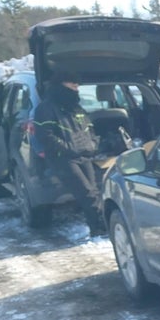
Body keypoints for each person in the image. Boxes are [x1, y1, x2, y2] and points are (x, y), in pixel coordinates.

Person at [33, 69, 105, 237]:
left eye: (77, 83)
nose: (76, 86)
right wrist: (67, 149)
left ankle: (97, 229)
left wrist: (93, 144)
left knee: (93, 192)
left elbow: (89, 129)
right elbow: (45, 135)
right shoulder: (46, 108)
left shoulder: (77, 108)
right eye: (71, 82)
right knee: (87, 194)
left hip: (85, 155)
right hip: (63, 159)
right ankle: (101, 230)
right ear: (60, 84)